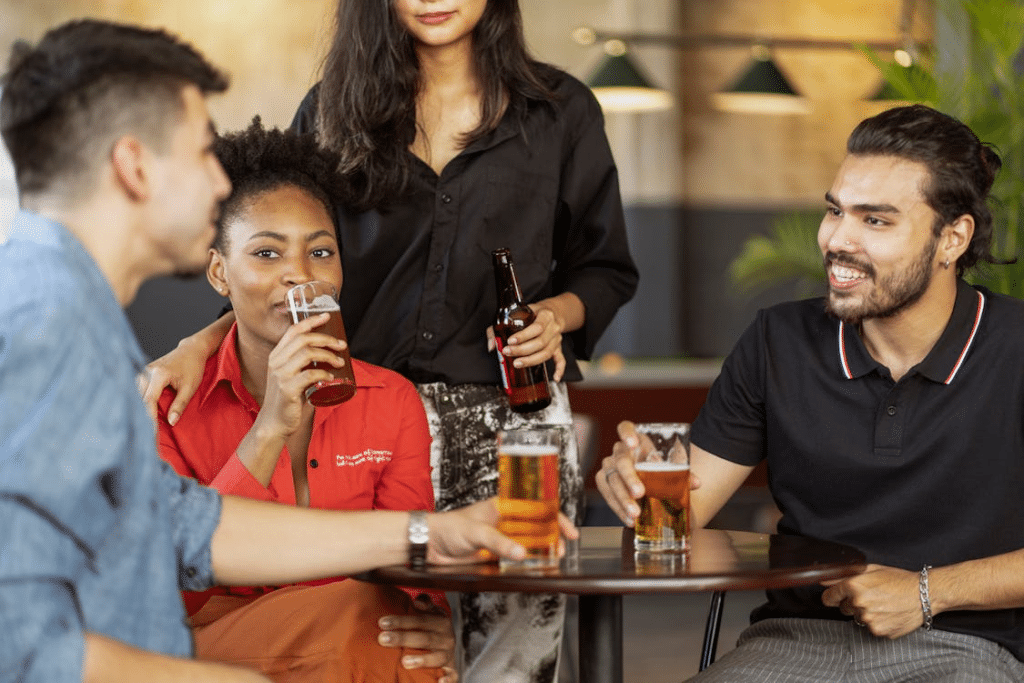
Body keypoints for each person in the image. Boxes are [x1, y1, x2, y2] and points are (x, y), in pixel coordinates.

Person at [0, 18, 537, 683]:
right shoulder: (44, 324)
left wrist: (427, 534)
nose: (219, 185)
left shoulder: (69, 307)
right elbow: (22, 645)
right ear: (135, 166)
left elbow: (189, 526)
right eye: (202, 153)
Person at [141, 1, 638, 681]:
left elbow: (607, 268)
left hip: (513, 427)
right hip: (362, 412)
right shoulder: (330, 110)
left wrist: (557, 312)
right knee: (385, 632)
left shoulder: (559, 111)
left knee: (514, 658)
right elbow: (285, 265)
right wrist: (201, 339)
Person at [598, 103, 1024, 682]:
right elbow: (681, 511)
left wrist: (926, 593)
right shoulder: (780, 338)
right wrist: (641, 491)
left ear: (952, 239)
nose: (837, 240)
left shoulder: (1016, 347)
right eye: (834, 211)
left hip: (961, 649)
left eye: (875, 221)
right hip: (789, 644)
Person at [157, 117, 456, 682]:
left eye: (321, 254)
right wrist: (269, 427)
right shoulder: (167, 403)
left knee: (406, 646)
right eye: (267, 254)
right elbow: (172, 582)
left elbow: (410, 573)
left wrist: (429, 620)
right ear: (220, 273)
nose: (300, 276)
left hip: (353, 630)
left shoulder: (389, 399)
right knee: (366, 630)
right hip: (200, 643)